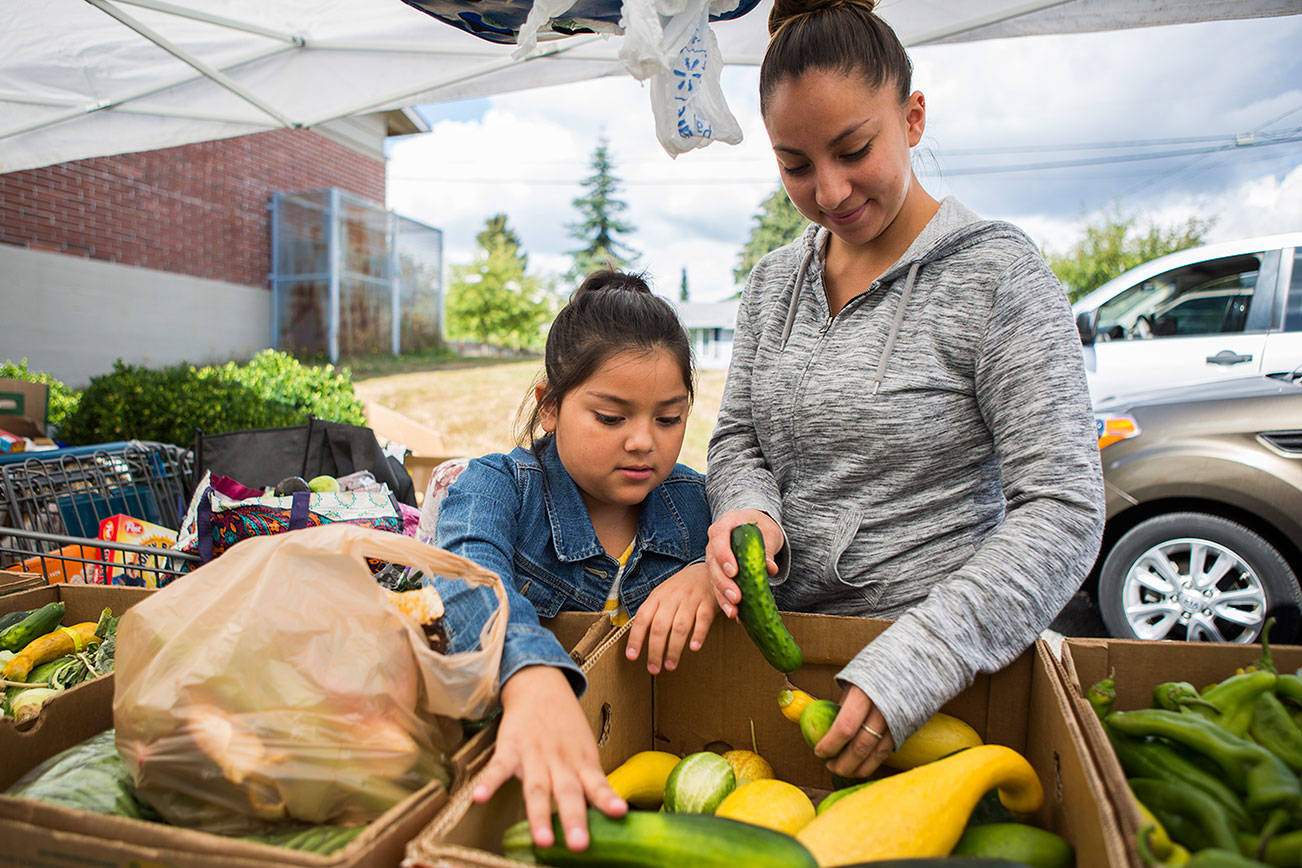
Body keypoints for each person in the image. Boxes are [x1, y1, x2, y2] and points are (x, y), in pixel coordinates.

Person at [705, 0, 1106, 783]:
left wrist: (919, 663)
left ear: (913, 118)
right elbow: (738, 438)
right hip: (786, 670)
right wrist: (747, 507)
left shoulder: (1000, 277)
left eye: (855, 149)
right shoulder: (771, 284)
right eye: (795, 164)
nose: (829, 191)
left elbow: (1062, 507)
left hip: (949, 690)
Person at [430, 270, 717, 851]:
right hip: (516, 754)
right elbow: (465, 576)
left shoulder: (698, 504)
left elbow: (765, 548)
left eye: (669, 418)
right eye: (612, 418)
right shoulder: (496, 487)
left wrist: (711, 572)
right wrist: (529, 673)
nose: (643, 441)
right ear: (550, 408)